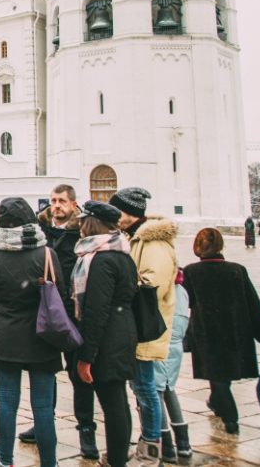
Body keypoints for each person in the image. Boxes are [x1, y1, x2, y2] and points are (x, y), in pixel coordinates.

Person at [0, 197, 64, 467]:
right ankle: (49, 463)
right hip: (42, 335)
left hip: (5, 335)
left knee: (7, 402)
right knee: (42, 407)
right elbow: (59, 293)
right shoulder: (46, 254)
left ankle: (5, 461)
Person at [21, 184, 96, 458]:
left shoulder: (82, 232)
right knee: (45, 371)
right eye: (53, 200)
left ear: (73, 204)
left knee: (79, 374)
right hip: (47, 308)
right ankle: (43, 423)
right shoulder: (41, 231)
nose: (57, 205)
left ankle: (86, 429)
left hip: (73, 309)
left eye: (62, 200)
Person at [109, 186, 175, 463]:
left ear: (129, 213)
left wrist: (121, 290)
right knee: (141, 388)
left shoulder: (152, 243)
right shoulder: (135, 239)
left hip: (146, 325)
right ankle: (152, 443)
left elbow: (153, 285)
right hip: (135, 323)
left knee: (146, 388)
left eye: (118, 212)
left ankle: (151, 447)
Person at [70, 201, 138, 467]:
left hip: (108, 337)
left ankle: (117, 459)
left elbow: (96, 310)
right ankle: (118, 455)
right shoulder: (120, 252)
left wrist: (87, 356)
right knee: (117, 399)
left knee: (112, 403)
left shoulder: (101, 259)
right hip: (122, 330)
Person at [182, 227, 260, 435]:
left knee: (217, 375)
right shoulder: (236, 269)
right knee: (222, 375)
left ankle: (231, 419)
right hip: (235, 330)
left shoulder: (191, 271)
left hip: (207, 331)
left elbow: (187, 301)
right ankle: (215, 402)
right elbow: (252, 304)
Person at [154, 268, 191, 460]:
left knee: (155, 392)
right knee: (169, 388)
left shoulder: (161, 289)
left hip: (159, 342)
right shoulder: (181, 291)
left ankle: (166, 444)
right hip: (175, 344)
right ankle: (183, 443)